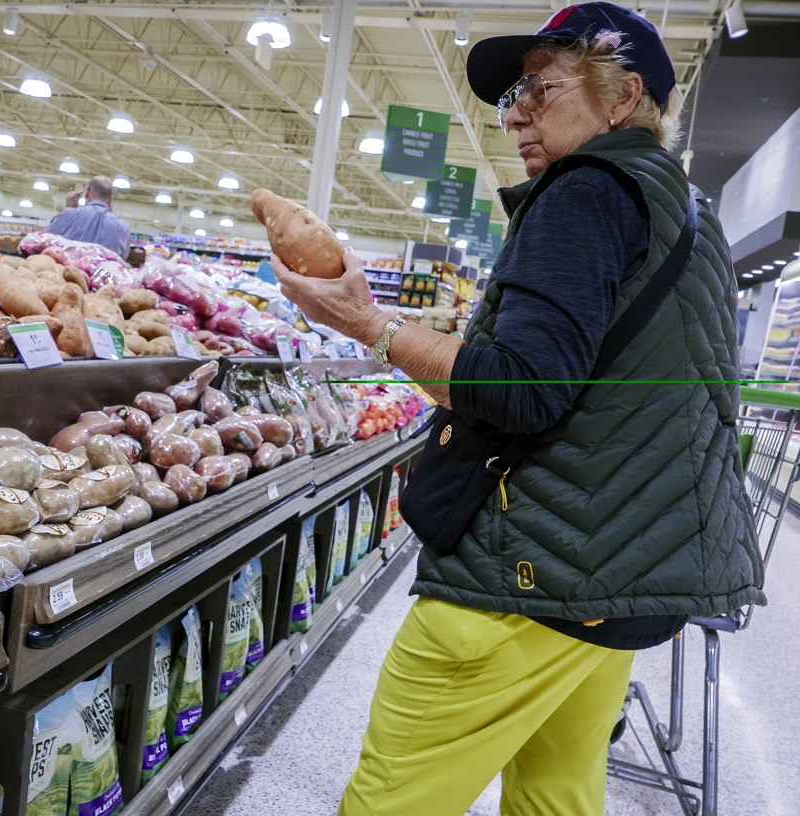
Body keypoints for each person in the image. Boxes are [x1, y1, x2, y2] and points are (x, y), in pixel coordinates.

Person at [271, 4, 765, 815]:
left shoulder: (585, 192)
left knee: (392, 800)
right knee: (557, 796)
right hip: (621, 573)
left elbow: (521, 390)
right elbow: (582, 386)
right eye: (511, 99)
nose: (516, 117)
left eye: (538, 88)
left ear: (622, 96)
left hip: (526, 577)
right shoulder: (690, 213)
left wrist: (370, 323)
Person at [47, 175, 132, 258]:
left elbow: (46, 241)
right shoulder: (122, 227)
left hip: (67, 271)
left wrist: (69, 209)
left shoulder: (67, 215)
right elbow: (122, 258)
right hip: (103, 271)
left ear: (87, 192)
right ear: (110, 199)